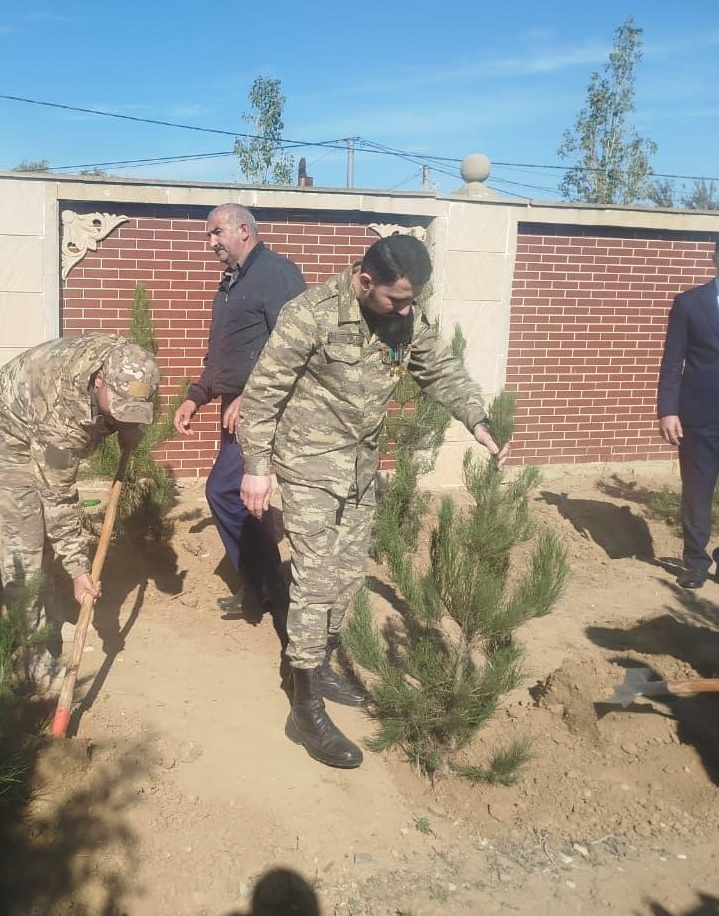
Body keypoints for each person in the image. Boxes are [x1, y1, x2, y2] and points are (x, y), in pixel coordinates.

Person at [237, 234, 507, 769]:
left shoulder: (404, 316)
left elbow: (441, 368)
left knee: (346, 578)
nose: (407, 311)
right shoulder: (309, 315)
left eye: (413, 300)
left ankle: (317, 665)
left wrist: (476, 417)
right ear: (365, 282)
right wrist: (256, 469)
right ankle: (304, 706)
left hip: (360, 469)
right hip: (309, 465)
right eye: (397, 300)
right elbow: (263, 393)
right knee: (315, 581)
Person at [0, 335, 160, 677]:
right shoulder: (62, 412)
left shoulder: (131, 366)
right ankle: (27, 652)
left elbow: (130, 399)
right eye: (116, 405)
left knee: (44, 534)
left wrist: (128, 423)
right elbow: (57, 496)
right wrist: (77, 569)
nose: (123, 412)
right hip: (4, 429)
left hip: (37, 414)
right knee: (27, 535)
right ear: (99, 379)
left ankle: (51, 616)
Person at [172, 203, 306, 618]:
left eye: (216, 233)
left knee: (223, 489)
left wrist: (252, 395)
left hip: (265, 411)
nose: (210, 242)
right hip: (234, 412)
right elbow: (222, 355)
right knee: (247, 501)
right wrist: (196, 396)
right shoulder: (230, 283)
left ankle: (271, 587)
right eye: (209, 235)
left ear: (243, 230)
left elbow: (295, 346)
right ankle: (260, 586)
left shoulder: (277, 274)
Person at [657, 227, 719, 597]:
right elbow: (671, 361)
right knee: (697, 492)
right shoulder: (689, 303)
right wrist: (668, 410)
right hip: (698, 417)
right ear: (714, 261)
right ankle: (695, 563)